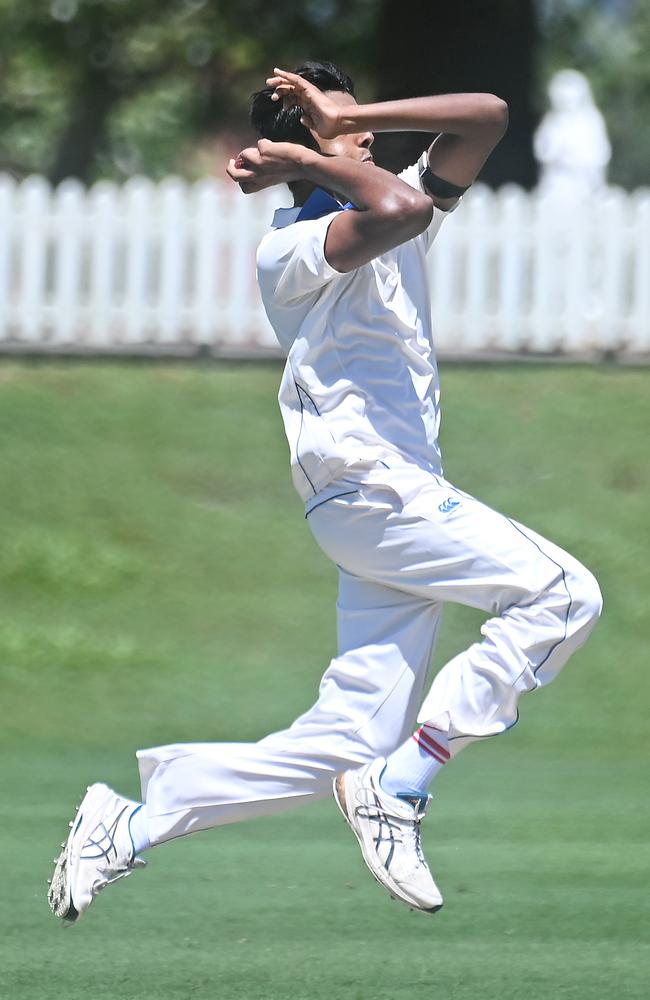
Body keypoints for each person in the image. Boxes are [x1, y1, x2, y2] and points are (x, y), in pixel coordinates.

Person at [48, 62, 602, 925]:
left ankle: (129, 825)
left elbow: (488, 114)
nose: (368, 133)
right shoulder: (292, 247)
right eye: (339, 123)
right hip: (369, 487)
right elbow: (400, 211)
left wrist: (346, 117)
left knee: (346, 740)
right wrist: (308, 159)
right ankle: (406, 781)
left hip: (386, 498)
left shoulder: (392, 195)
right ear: (297, 148)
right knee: (564, 594)